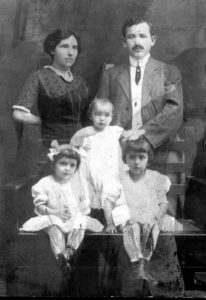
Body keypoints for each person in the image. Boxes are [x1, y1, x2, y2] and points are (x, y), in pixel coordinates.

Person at [97, 15, 183, 216]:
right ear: (124, 42)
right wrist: (116, 136)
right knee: (121, 212)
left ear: (152, 40)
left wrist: (144, 134)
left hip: (159, 148)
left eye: (142, 36)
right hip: (120, 151)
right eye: (131, 37)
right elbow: (101, 112)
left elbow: (174, 110)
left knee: (159, 213)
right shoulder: (110, 75)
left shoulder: (169, 72)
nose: (137, 42)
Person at [19, 144, 104, 277]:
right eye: (63, 164)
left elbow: (85, 203)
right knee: (54, 228)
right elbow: (40, 207)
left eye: (72, 165)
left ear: (76, 168)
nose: (67, 168)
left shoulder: (78, 183)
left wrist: (76, 211)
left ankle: (67, 253)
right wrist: (56, 212)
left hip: (73, 217)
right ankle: (60, 255)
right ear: (53, 165)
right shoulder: (45, 183)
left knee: (80, 224)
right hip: (52, 216)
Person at [111, 136, 183, 287]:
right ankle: (136, 264)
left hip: (150, 214)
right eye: (131, 157)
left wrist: (158, 215)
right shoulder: (121, 178)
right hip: (130, 215)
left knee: (152, 227)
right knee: (132, 227)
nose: (136, 162)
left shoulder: (155, 178)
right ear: (125, 159)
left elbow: (163, 203)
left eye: (141, 157)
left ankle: (144, 265)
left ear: (148, 159)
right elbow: (112, 201)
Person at [13, 28, 90, 148]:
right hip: (52, 144)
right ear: (51, 49)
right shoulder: (39, 77)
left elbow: (88, 116)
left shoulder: (81, 82)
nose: (70, 53)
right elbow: (18, 113)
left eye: (74, 48)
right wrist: (44, 121)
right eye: (64, 46)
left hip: (80, 144)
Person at [70, 97, 127, 233]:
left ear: (112, 117)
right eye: (98, 115)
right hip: (93, 169)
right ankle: (91, 217)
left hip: (110, 169)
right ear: (91, 116)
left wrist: (127, 139)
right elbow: (73, 142)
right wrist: (81, 143)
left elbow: (127, 136)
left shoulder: (115, 131)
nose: (102, 119)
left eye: (106, 115)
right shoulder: (87, 131)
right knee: (89, 189)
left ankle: (116, 220)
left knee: (111, 190)